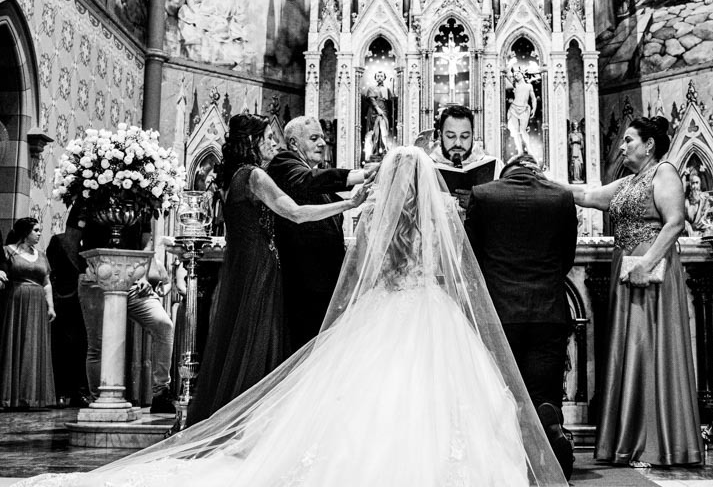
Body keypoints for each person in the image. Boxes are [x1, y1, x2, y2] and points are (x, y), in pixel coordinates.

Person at [15, 147, 568, 487]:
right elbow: (448, 270)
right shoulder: (444, 211)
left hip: (384, 310)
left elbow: (369, 270)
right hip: (431, 312)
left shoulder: (375, 211)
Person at [190, 114, 368, 423]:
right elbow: (296, 213)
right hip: (262, 269)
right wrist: (349, 205)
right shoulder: (255, 176)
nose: (274, 143)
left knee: (247, 340)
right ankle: (253, 421)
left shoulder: (237, 178)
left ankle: (244, 418)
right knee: (262, 340)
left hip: (249, 268)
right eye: (268, 138)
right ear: (252, 143)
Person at [565, 116, 702, 467]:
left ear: (649, 145)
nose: (623, 146)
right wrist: (540, 185)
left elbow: (674, 222)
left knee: (648, 348)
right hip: (626, 268)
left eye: (628, 140)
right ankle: (627, 440)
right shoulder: (628, 182)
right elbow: (586, 195)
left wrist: (646, 264)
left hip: (649, 272)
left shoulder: (664, 172)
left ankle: (654, 444)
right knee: (628, 348)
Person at [465, 154, 578, 479]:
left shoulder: (484, 194)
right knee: (543, 392)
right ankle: (549, 426)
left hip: (499, 313)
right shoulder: (561, 197)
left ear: (505, 174)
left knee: (503, 393)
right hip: (547, 311)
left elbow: (470, 255)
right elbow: (565, 256)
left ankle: (506, 462)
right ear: (536, 173)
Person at [267, 116, 377, 354]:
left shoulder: (315, 178)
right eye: (314, 138)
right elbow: (309, 182)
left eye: (323, 138)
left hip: (325, 283)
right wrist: (363, 175)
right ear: (294, 143)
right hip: (302, 282)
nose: (322, 144)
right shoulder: (284, 163)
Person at [76, 210, 177, 414]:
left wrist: (143, 277)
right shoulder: (87, 200)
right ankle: (99, 399)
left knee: (163, 325)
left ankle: (160, 392)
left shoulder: (142, 200)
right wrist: (87, 271)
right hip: (96, 279)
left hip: (133, 280)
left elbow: (146, 244)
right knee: (98, 344)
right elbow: (72, 240)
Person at [0, 218, 56, 409]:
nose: (40, 233)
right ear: (25, 233)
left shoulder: (41, 255)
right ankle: (11, 397)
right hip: (16, 301)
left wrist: (51, 306)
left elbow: (47, 282)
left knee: (33, 345)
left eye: (40, 230)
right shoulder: (8, 251)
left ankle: (33, 397)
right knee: (15, 343)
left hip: (38, 303)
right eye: (36, 230)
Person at [45, 219, 89, 407]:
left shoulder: (94, 245)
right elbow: (51, 270)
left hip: (86, 301)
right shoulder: (60, 240)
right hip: (65, 300)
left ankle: (80, 391)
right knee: (63, 347)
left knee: (83, 347)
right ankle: (62, 391)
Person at [505, 69, 539, 157]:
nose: (516, 76)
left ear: (522, 74)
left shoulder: (529, 86)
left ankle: (529, 149)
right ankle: (520, 151)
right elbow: (507, 75)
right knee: (516, 131)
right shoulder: (514, 85)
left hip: (524, 109)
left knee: (523, 130)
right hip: (514, 108)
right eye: (515, 75)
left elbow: (533, 99)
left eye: (518, 74)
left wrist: (534, 109)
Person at [683, 170, 706, 236]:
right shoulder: (686, 201)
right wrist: (687, 225)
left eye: (697, 183)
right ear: (690, 185)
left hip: (703, 233)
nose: (695, 186)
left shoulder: (705, 200)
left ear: (700, 184)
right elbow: (683, 219)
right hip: (689, 233)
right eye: (693, 183)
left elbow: (708, 218)